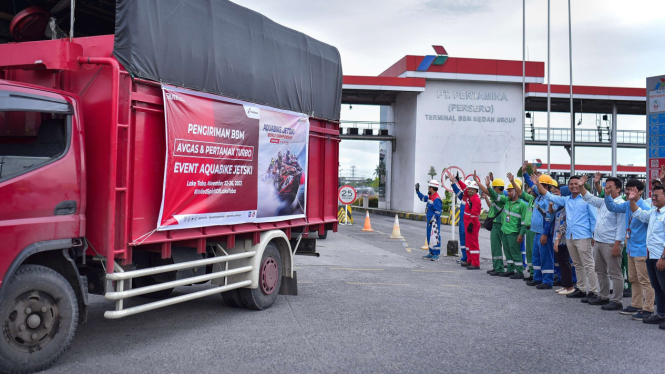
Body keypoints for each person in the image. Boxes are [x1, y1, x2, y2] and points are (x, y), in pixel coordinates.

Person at [533, 175, 598, 301]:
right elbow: (549, 196)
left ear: (581, 184)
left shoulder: (587, 199)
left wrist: (594, 235)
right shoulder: (567, 200)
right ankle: (581, 288)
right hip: (570, 236)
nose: (573, 186)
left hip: (583, 236)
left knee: (588, 265)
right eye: (571, 184)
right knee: (577, 264)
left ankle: (594, 292)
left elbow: (593, 218)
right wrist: (538, 184)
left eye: (576, 183)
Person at [604, 179, 655, 320]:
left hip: (642, 249)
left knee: (645, 280)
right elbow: (612, 207)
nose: (628, 192)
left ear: (640, 191)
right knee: (633, 279)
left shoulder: (645, 206)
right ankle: (636, 305)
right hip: (631, 247)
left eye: (632, 189)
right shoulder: (626, 204)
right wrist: (607, 195)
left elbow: (645, 220)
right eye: (627, 189)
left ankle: (648, 309)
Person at [578, 173, 626, 310]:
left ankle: (617, 301)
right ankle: (604, 296)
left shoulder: (621, 204)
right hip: (599, 241)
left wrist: (617, 244)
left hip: (611, 243)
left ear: (618, 189)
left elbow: (621, 227)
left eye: (610, 187)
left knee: (615, 273)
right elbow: (589, 198)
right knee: (600, 271)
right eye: (606, 186)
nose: (607, 189)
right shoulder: (605, 201)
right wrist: (581, 186)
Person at [626, 185, 665, 328]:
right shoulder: (654, 212)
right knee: (658, 287)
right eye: (653, 195)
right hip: (651, 255)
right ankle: (661, 314)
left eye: (657, 196)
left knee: (664, 287)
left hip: (661, 257)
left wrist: (663, 257)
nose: (653, 198)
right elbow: (639, 214)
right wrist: (631, 200)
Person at [477, 173, 526, 277]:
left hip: (512, 231)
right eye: (508, 190)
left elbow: (523, 222)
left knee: (514, 252)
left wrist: (521, 234)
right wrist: (490, 185)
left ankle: (518, 271)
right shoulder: (507, 201)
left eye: (510, 190)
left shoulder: (521, 204)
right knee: (507, 251)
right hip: (505, 230)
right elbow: (494, 195)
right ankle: (510, 269)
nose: (508, 192)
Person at [523, 173, 559, 289]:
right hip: (537, 232)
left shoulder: (549, 199)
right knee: (536, 257)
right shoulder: (539, 196)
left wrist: (545, 233)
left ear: (546, 187)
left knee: (546, 258)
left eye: (539, 185)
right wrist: (525, 173)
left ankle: (547, 281)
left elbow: (549, 218)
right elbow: (531, 184)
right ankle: (537, 278)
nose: (535, 187)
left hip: (544, 233)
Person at [450, 172, 481, 270]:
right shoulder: (469, 197)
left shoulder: (475, 199)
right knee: (468, 243)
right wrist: (457, 181)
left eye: (471, 189)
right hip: (467, 222)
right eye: (469, 189)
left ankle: (475, 263)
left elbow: (475, 213)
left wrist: (471, 224)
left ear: (475, 190)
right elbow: (464, 188)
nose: (469, 190)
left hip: (471, 223)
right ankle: (469, 260)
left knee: (473, 243)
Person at [550, 185, 576, 295]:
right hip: (558, 239)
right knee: (561, 263)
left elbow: (562, 226)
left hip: (562, 240)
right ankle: (564, 285)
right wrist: (551, 205)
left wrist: (557, 241)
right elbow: (551, 212)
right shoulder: (561, 207)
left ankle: (569, 286)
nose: (557, 194)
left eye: (559, 192)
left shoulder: (566, 209)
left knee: (565, 263)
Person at [483, 176, 507, 275]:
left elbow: (491, 193)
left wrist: (487, 186)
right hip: (496, 224)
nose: (492, 189)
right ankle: (496, 266)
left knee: (497, 247)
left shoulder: (502, 196)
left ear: (497, 188)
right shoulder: (497, 196)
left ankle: (499, 268)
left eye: (493, 187)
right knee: (494, 247)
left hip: (499, 224)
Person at [416, 180, 443, 261]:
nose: (428, 188)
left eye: (429, 187)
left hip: (434, 222)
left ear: (432, 188)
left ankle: (436, 254)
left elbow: (438, 212)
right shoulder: (430, 196)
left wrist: (433, 219)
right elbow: (423, 198)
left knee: (435, 237)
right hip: (430, 221)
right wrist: (417, 191)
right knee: (429, 237)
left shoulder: (436, 199)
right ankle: (431, 253)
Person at [451, 177, 468, 264]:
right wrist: (454, 183)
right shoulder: (464, 198)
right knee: (462, 239)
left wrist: (458, 180)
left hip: (466, 222)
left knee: (466, 240)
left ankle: (468, 257)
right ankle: (464, 257)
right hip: (462, 222)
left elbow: (465, 188)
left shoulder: (470, 199)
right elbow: (457, 191)